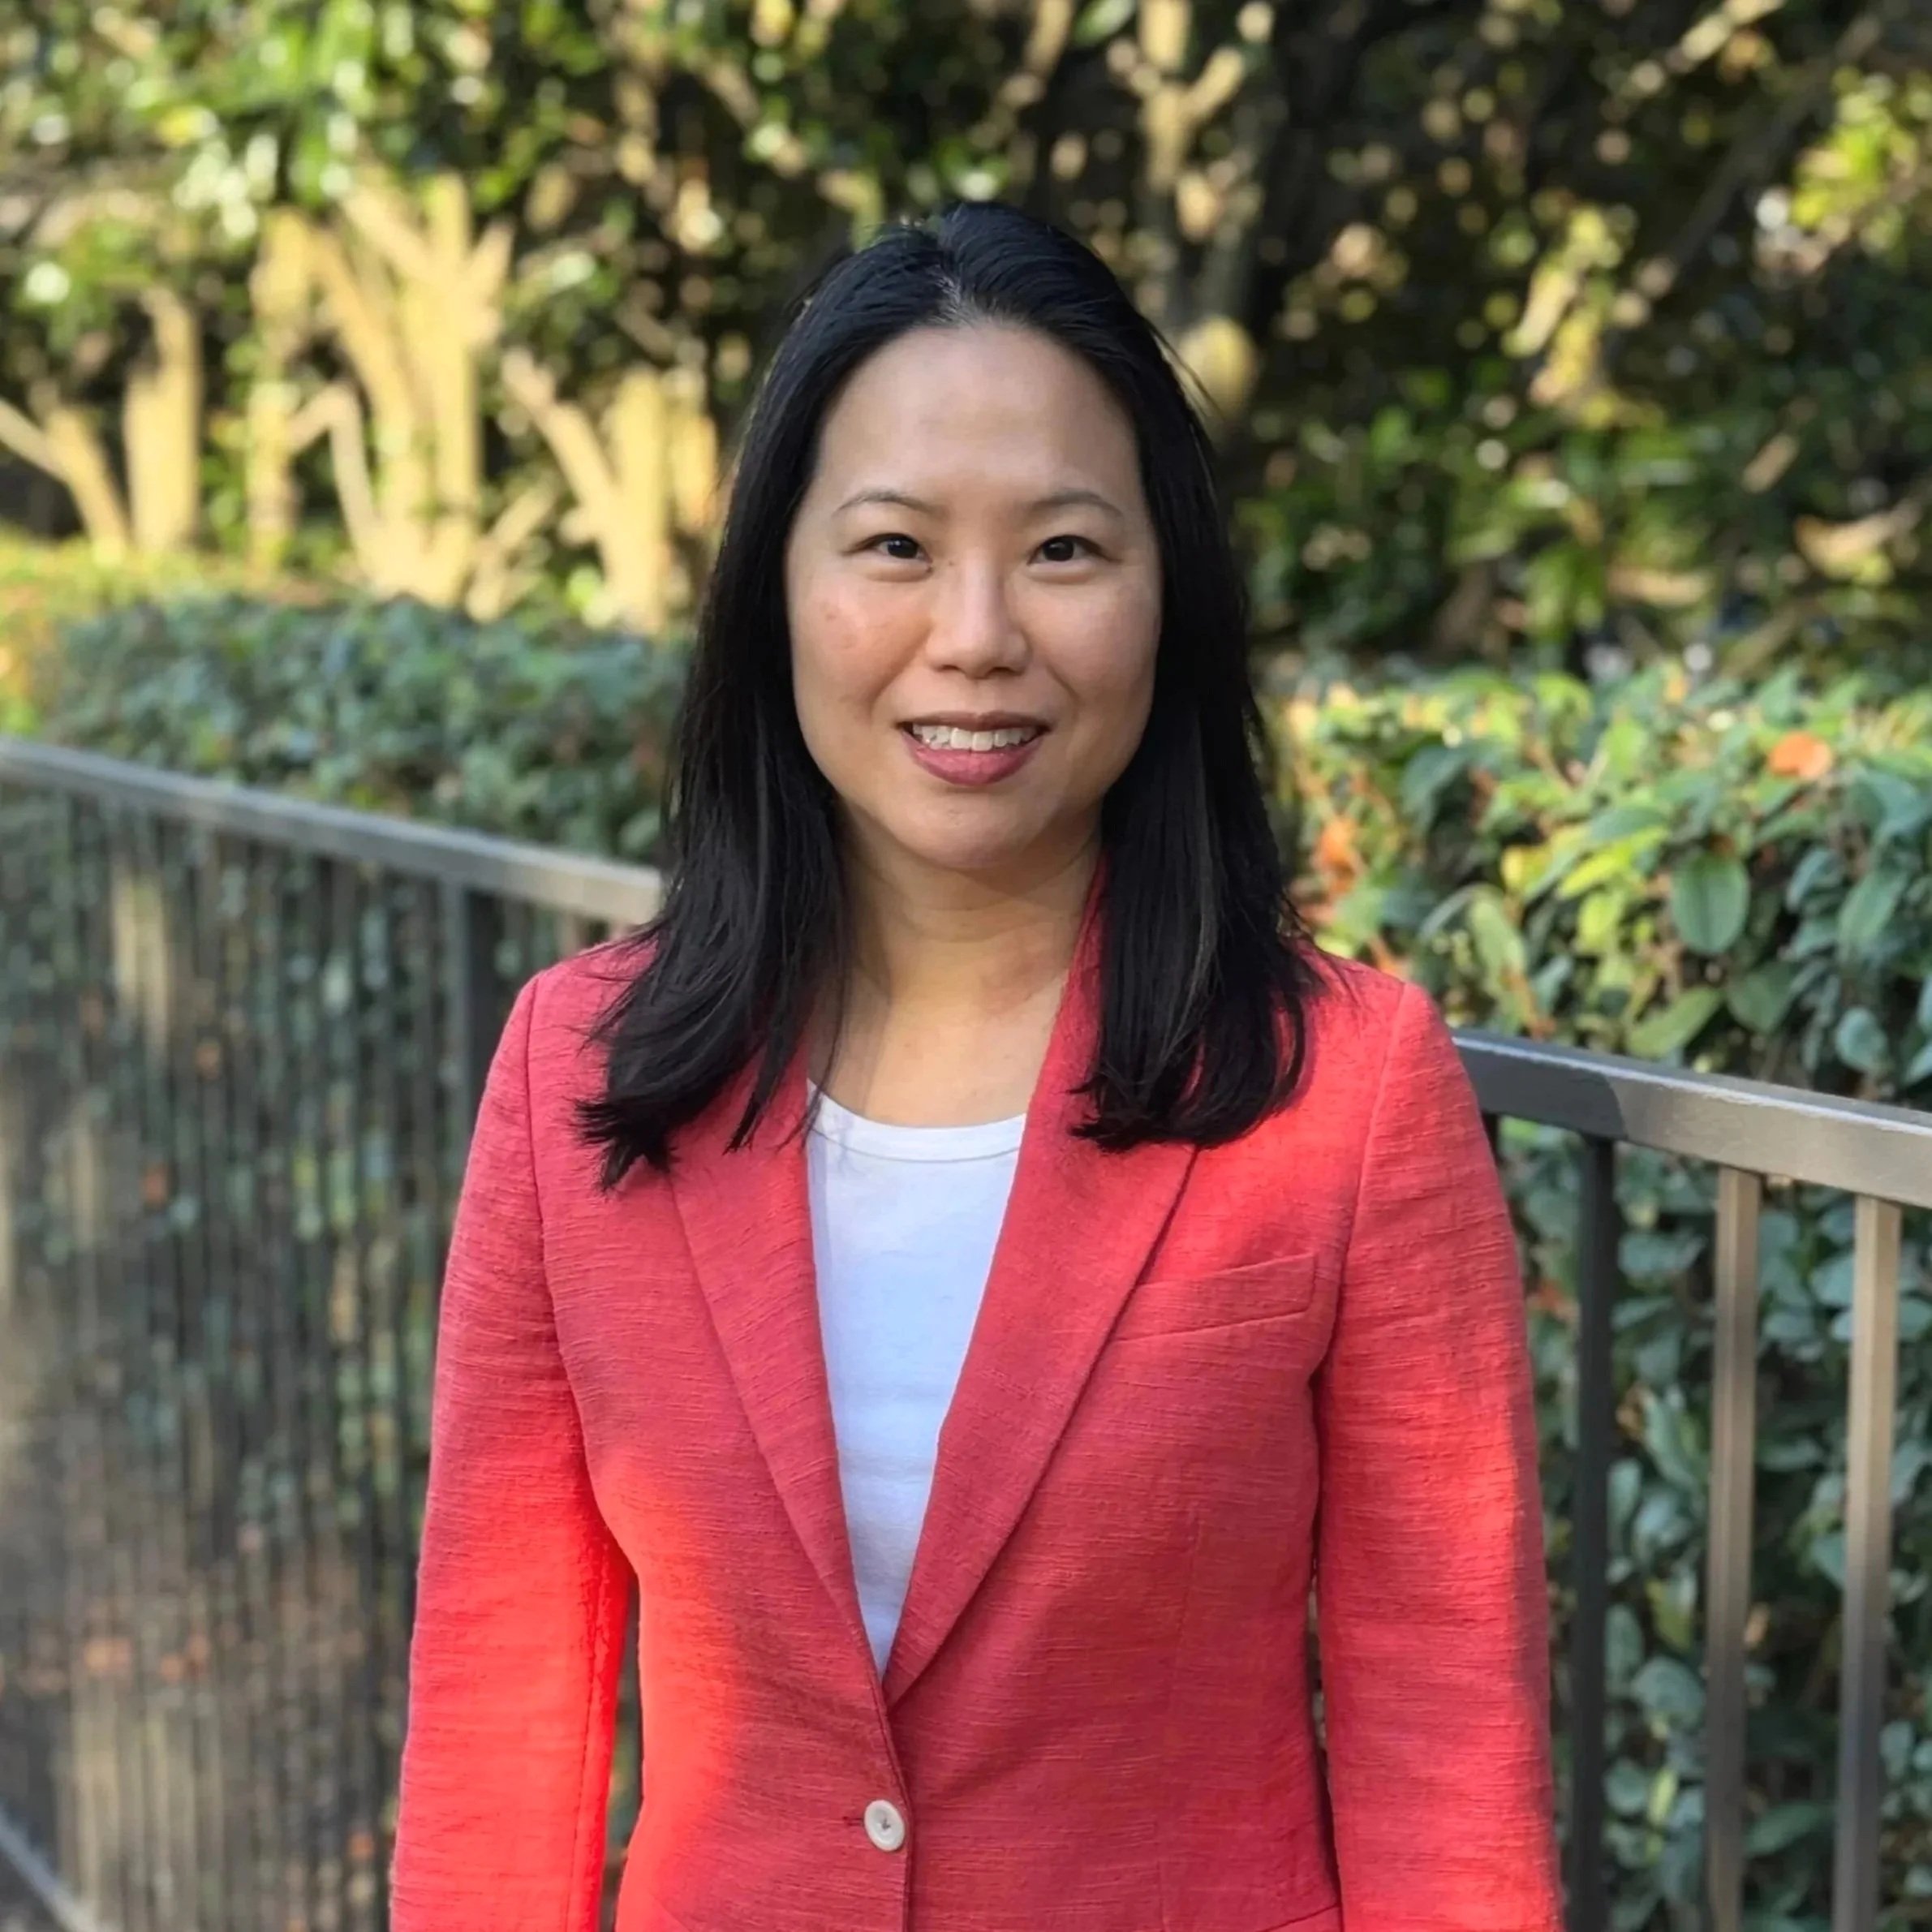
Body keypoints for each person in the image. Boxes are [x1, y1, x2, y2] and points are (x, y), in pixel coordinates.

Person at [389, 200, 1562, 1932]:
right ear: (775, 588)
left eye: (1065, 549)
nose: (977, 633)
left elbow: (1446, 1751)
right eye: (894, 545)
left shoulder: (1343, 1091)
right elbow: (502, 1711)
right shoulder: (580, 1072)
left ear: (1166, 598)